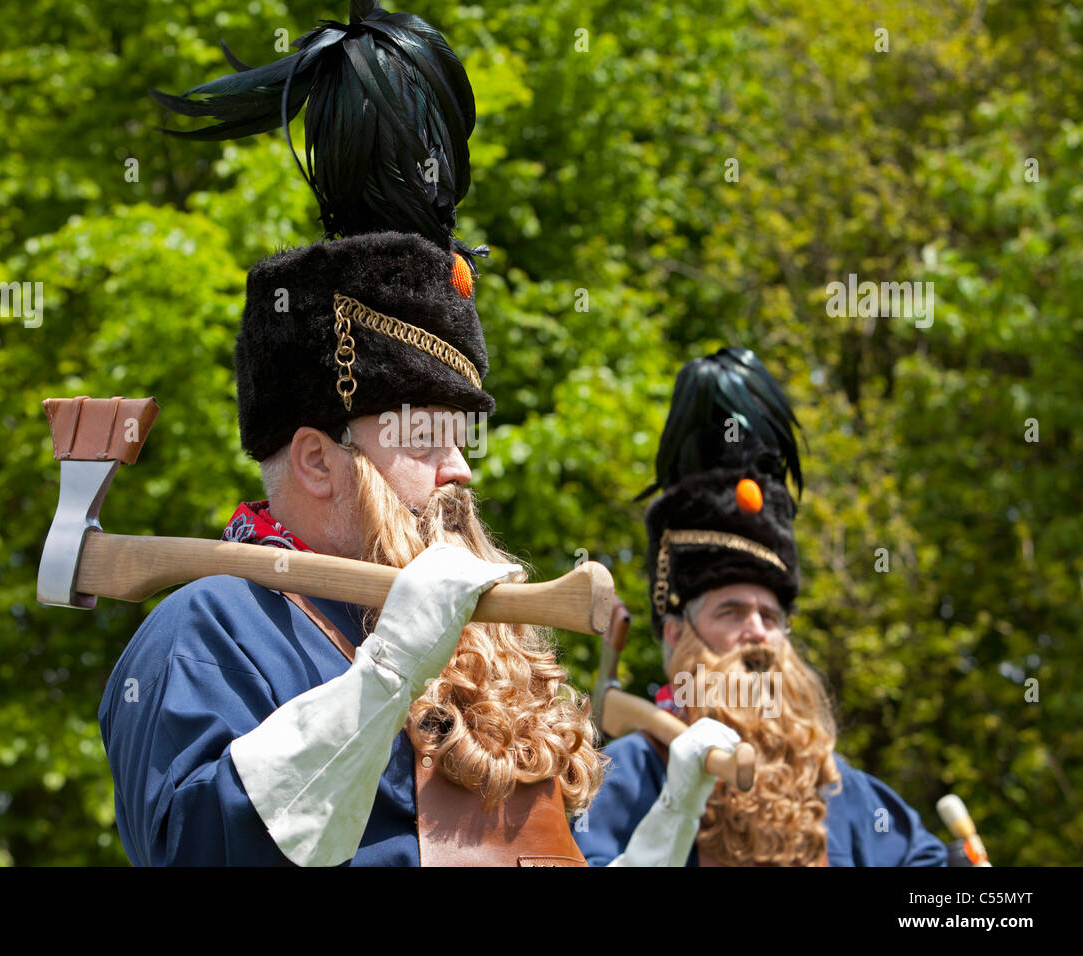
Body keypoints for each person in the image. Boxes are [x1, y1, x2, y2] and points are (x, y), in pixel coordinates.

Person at [97, 0, 625, 867]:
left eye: (461, 437)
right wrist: (383, 678)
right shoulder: (207, 631)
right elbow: (205, 853)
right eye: (423, 436)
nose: (459, 471)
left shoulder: (491, 669)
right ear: (316, 459)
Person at [573, 348, 948, 866]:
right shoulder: (623, 777)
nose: (758, 632)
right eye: (730, 611)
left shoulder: (841, 788)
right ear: (677, 635)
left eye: (771, 617)